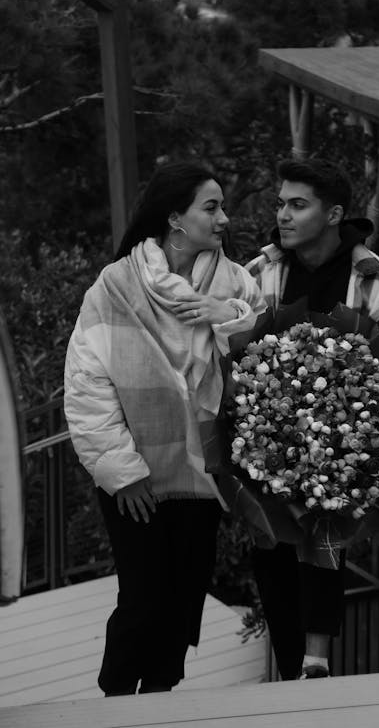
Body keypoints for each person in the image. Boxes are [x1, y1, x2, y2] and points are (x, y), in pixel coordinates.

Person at [64, 162, 266, 696]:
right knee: (143, 594)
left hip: (204, 469)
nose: (224, 217)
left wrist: (227, 313)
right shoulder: (116, 285)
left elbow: (268, 356)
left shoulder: (238, 283)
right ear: (174, 218)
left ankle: (159, 696)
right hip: (138, 474)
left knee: (185, 593)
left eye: (222, 207)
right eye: (211, 206)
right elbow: (87, 384)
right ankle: (114, 696)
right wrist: (123, 473)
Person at [245, 157, 379, 681]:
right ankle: (292, 665)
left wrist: (362, 440)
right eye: (280, 204)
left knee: (326, 531)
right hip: (266, 432)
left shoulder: (378, 282)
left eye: (298, 205)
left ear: (335, 213)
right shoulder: (261, 272)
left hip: (346, 438)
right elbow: (232, 354)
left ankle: (315, 662)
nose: (284, 216)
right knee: (271, 550)